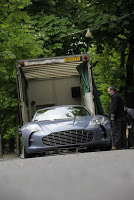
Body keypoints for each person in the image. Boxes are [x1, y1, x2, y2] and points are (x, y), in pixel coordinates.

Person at [108, 85, 124, 150]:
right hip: (121, 116)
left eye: (109, 91)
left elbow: (114, 108)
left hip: (117, 117)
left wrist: (112, 116)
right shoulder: (118, 96)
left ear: (112, 90)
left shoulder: (114, 97)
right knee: (120, 131)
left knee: (116, 131)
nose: (108, 92)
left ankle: (116, 145)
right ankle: (122, 145)